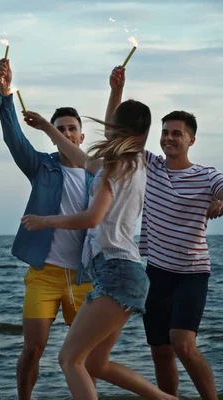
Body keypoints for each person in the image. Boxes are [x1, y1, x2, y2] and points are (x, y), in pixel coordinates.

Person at [21, 100, 175, 400]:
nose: (105, 129)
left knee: (69, 359)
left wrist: (45, 220)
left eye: (111, 124)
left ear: (118, 128)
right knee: (95, 362)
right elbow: (81, 157)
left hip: (117, 272)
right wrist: (47, 128)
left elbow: (92, 218)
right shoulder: (135, 162)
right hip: (125, 274)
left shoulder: (116, 165)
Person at [108, 66, 221, 400]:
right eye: (166, 132)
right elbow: (116, 135)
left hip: (191, 275)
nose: (169, 138)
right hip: (155, 274)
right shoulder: (149, 165)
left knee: (183, 344)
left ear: (191, 140)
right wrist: (116, 90)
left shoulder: (205, 175)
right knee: (160, 351)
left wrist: (220, 200)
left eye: (177, 133)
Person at [0, 58, 94, 399]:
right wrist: (5, 94)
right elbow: (13, 136)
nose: (66, 133)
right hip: (45, 274)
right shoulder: (42, 166)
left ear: (82, 135)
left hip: (86, 276)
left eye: (71, 129)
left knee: (87, 357)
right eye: (60, 129)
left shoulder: (98, 173)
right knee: (33, 349)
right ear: (53, 136)